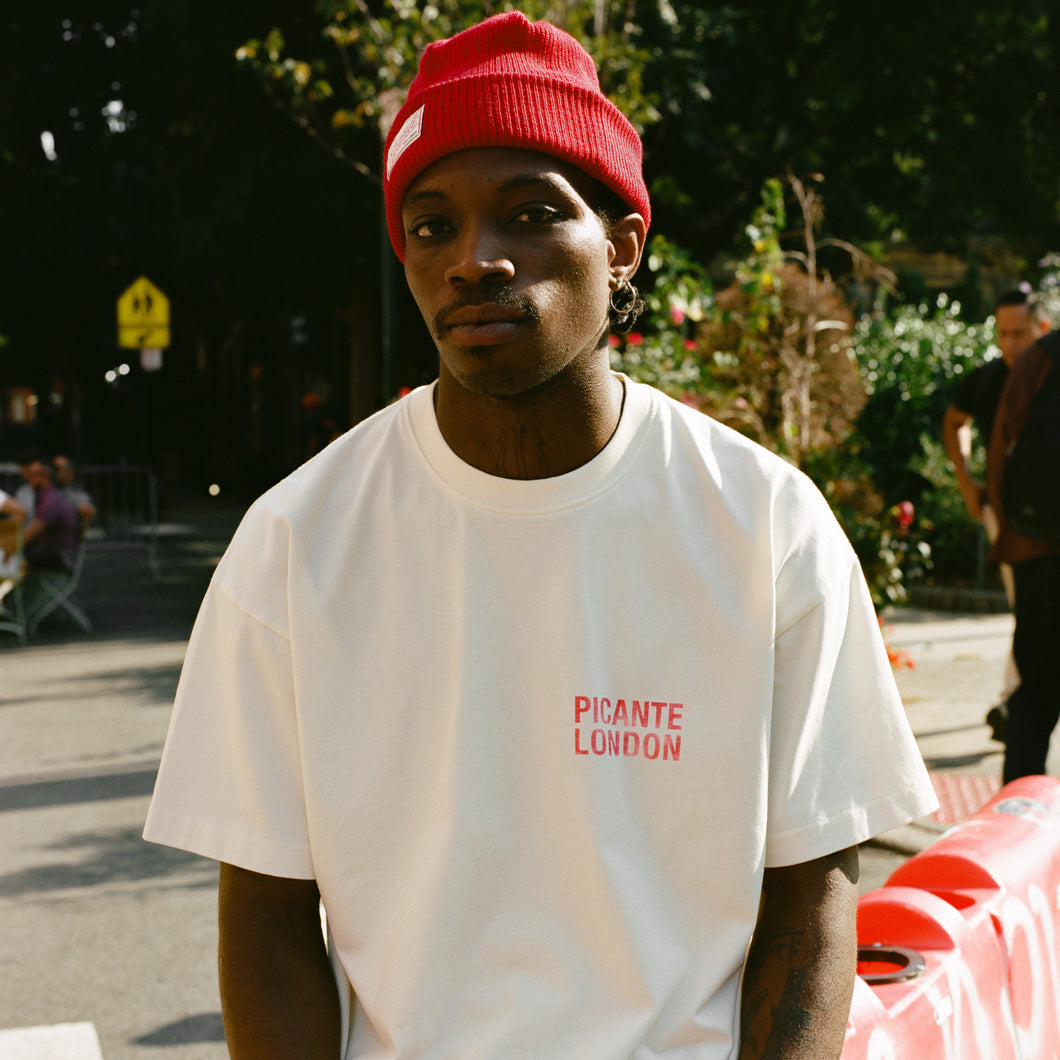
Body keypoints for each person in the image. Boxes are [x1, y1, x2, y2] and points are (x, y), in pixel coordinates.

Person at [144, 13, 937, 1059]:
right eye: (432, 226)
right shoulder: (296, 540)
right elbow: (266, 918)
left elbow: (810, 896)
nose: (475, 260)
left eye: (531, 213)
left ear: (622, 244)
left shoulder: (765, 525)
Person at [942, 288, 1051, 739]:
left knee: (1033, 611)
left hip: (1047, 519)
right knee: (1029, 608)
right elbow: (954, 422)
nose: (1009, 344)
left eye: (1018, 333)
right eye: (1002, 334)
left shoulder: (1051, 374)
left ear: (1042, 328)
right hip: (1006, 517)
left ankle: (1016, 699)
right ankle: (1016, 700)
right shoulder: (987, 379)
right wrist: (967, 483)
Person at [987, 329, 1060, 784]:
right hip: (1035, 545)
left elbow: (1001, 448)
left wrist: (1006, 528)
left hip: (1035, 547)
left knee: (1035, 687)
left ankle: (1019, 806)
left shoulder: (1038, 359)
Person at [21, 458, 80, 572]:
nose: (28, 478)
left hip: (62, 555)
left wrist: (7, 545)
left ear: (44, 477)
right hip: (55, 551)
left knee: (16, 558)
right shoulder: (47, 496)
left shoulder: (51, 500)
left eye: (33, 475)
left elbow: (29, 534)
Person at [53, 455, 97, 526]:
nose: (53, 472)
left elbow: (88, 511)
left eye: (57, 469)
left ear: (71, 473)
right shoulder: (43, 488)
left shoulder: (75, 491)